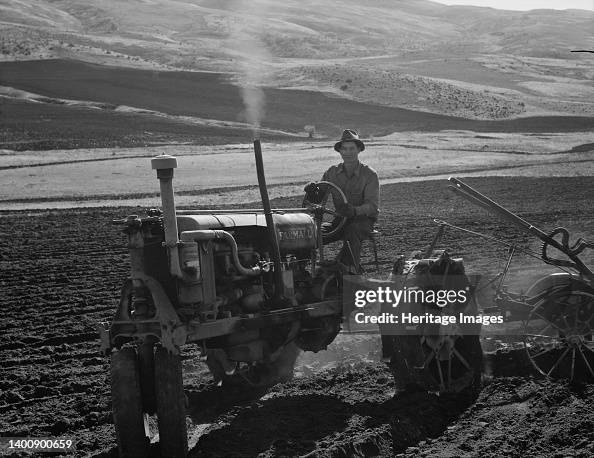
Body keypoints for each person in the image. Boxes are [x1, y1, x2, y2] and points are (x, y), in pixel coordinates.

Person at [305, 129, 380, 273]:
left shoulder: (369, 174)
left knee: (353, 230)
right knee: (311, 233)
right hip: (339, 221)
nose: (348, 152)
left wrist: (354, 211)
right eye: (344, 149)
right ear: (340, 151)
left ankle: (349, 270)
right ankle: (302, 270)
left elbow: (372, 206)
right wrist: (312, 191)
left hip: (363, 221)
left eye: (352, 148)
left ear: (359, 149)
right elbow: (318, 198)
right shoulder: (332, 173)